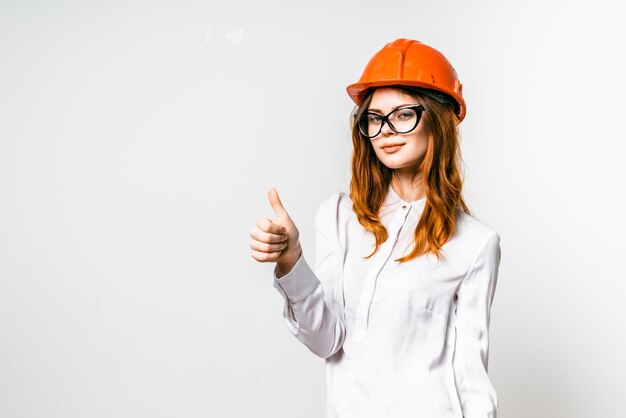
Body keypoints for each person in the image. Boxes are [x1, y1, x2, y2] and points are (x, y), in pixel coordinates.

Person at [250, 38, 502, 418]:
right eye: (374, 117)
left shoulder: (476, 243)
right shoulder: (337, 215)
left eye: (403, 114)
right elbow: (325, 339)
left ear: (438, 119)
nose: (385, 129)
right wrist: (291, 261)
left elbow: (470, 376)